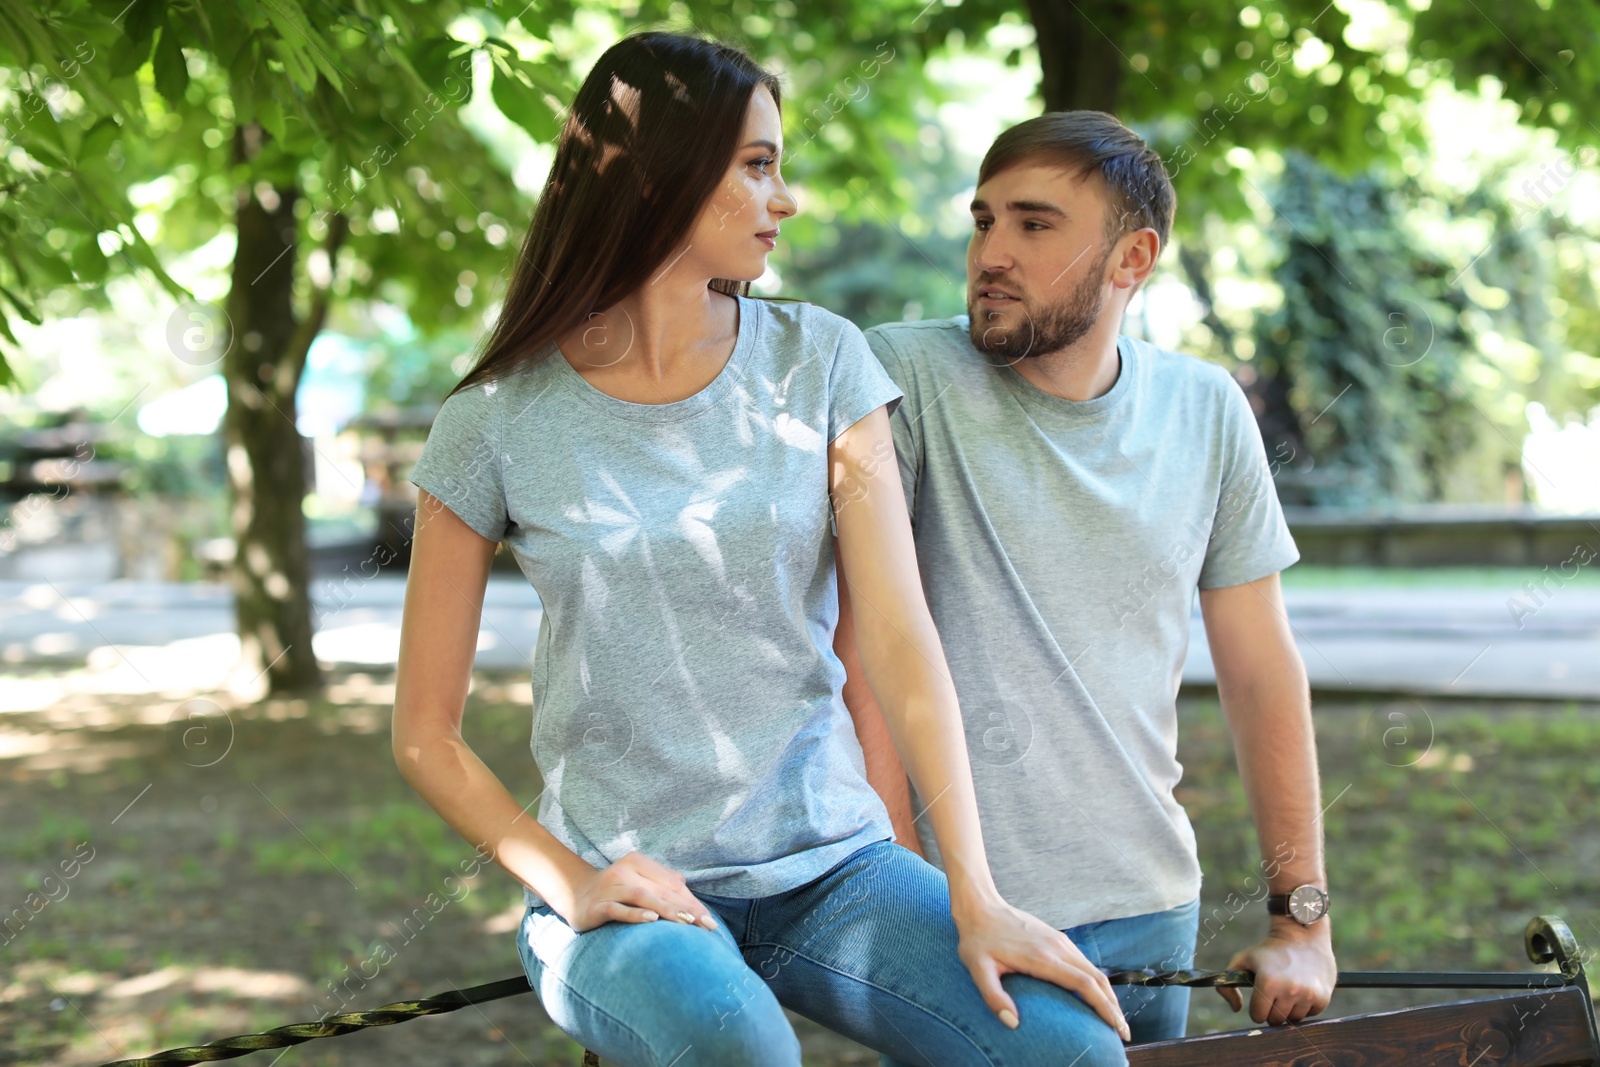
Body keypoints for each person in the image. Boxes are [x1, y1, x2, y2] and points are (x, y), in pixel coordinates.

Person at [392, 33, 1134, 1067]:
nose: (784, 198)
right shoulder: (493, 421)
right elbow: (424, 730)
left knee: (1070, 1053)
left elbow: (900, 635)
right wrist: (570, 881)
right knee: (739, 1042)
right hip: (629, 884)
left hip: (836, 871)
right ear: (649, 172)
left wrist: (975, 887)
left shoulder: (821, 359)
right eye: (755, 165)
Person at [837, 110, 1339, 1059]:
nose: (992, 253)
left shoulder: (1205, 410)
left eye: (1034, 225)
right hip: (962, 911)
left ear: (1131, 259)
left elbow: (1262, 668)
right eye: (984, 221)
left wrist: (1302, 918)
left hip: (1152, 904)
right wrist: (912, 892)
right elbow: (861, 648)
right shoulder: (899, 377)